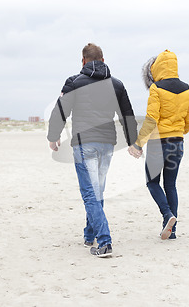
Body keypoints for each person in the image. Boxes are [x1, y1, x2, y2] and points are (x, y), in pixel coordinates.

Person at [48, 43, 137, 257]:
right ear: (103, 60)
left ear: (83, 61)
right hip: (107, 144)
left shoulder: (74, 82)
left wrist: (53, 137)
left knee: (90, 194)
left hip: (84, 143)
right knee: (96, 191)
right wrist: (133, 141)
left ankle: (104, 242)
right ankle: (90, 235)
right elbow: (127, 116)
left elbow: (60, 111)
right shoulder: (117, 85)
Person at [128, 50, 189, 240]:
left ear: (156, 67)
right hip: (178, 143)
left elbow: (151, 119)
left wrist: (138, 144)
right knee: (171, 184)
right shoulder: (187, 89)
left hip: (158, 144)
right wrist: (179, 132)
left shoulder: (156, 89)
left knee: (152, 182)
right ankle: (172, 232)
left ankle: (167, 215)